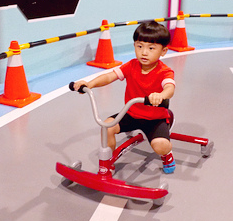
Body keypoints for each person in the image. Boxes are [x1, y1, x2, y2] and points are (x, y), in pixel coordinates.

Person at [73, 21, 176, 173]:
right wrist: (90, 83)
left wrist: (160, 95)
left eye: (151, 48)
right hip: (131, 114)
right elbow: (110, 76)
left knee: (160, 146)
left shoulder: (164, 71)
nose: (144, 52)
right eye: (139, 46)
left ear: (163, 51)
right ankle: (107, 162)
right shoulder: (131, 66)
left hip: (154, 119)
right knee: (107, 127)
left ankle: (167, 156)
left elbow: (170, 88)